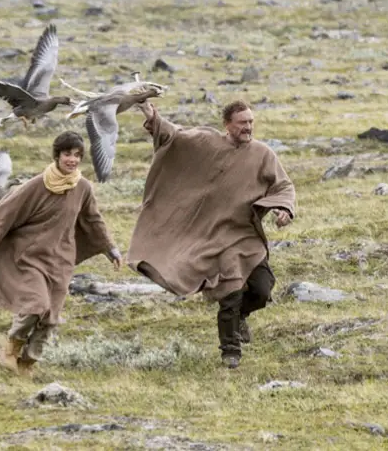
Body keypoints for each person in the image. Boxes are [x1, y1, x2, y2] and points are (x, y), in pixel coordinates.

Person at [126, 100, 296, 369]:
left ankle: (240, 317)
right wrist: (151, 115)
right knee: (231, 291)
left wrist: (283, 209)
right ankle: (230, 350)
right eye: (242, 123)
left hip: (245, 236)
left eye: (251, 122)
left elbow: (283, 186)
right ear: (227, 124)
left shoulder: (263, 154)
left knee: (262, 289)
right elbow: (174, 136)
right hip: (214, 237)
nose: (248, 127)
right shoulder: (206, 143)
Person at [0, 131, 122, 377]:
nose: (72, 160)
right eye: (67, 154)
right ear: (57, 156)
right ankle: (11, 348)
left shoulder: (83, 187)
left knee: (50, 317)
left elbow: (93, 220)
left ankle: (28, 364)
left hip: (61, 260)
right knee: (35, 305)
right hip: (31, 257)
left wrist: (110, 248)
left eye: (77, 155)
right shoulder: (36, 184)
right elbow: (6, 212)